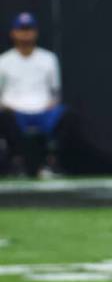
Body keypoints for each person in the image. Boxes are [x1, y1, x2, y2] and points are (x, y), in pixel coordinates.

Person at [0, 12, 64, 178]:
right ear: (13, 33)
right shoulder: (4, 61)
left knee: (66, 117)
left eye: (29, 29)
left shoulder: (48, 58)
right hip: (13, 111)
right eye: (21, 29)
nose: (25, 34)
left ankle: (51, 163)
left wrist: (51, 105)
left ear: (35, 32)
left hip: (43, 110)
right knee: (6, 119)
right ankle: (20, 164)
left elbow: (55, 92)